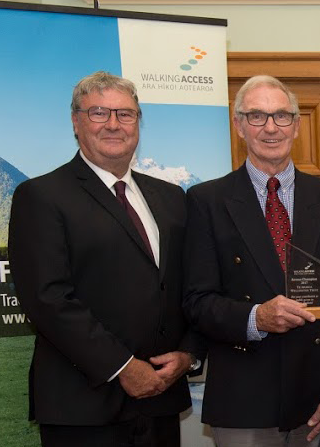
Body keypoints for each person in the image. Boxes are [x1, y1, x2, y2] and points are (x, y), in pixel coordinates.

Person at [11, 71, 201, 446]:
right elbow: (48, 299)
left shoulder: (171, 198)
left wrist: (188, 353)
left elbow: (193, 284)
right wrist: (124, 368)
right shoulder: (41, 196)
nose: (114, 124)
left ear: (138, 123)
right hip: (84, 405)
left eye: (125, 114)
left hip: (160, 399)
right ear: (76, 121)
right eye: (99, 112)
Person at [183, 75, 320, 445]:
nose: (271, 127)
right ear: (239, 126)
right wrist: (257, 318)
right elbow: (196, 302)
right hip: (244, 399)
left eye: (281, 116)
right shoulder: (207, 201)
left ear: (297, 126)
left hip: (318, 398)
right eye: (256, 116)